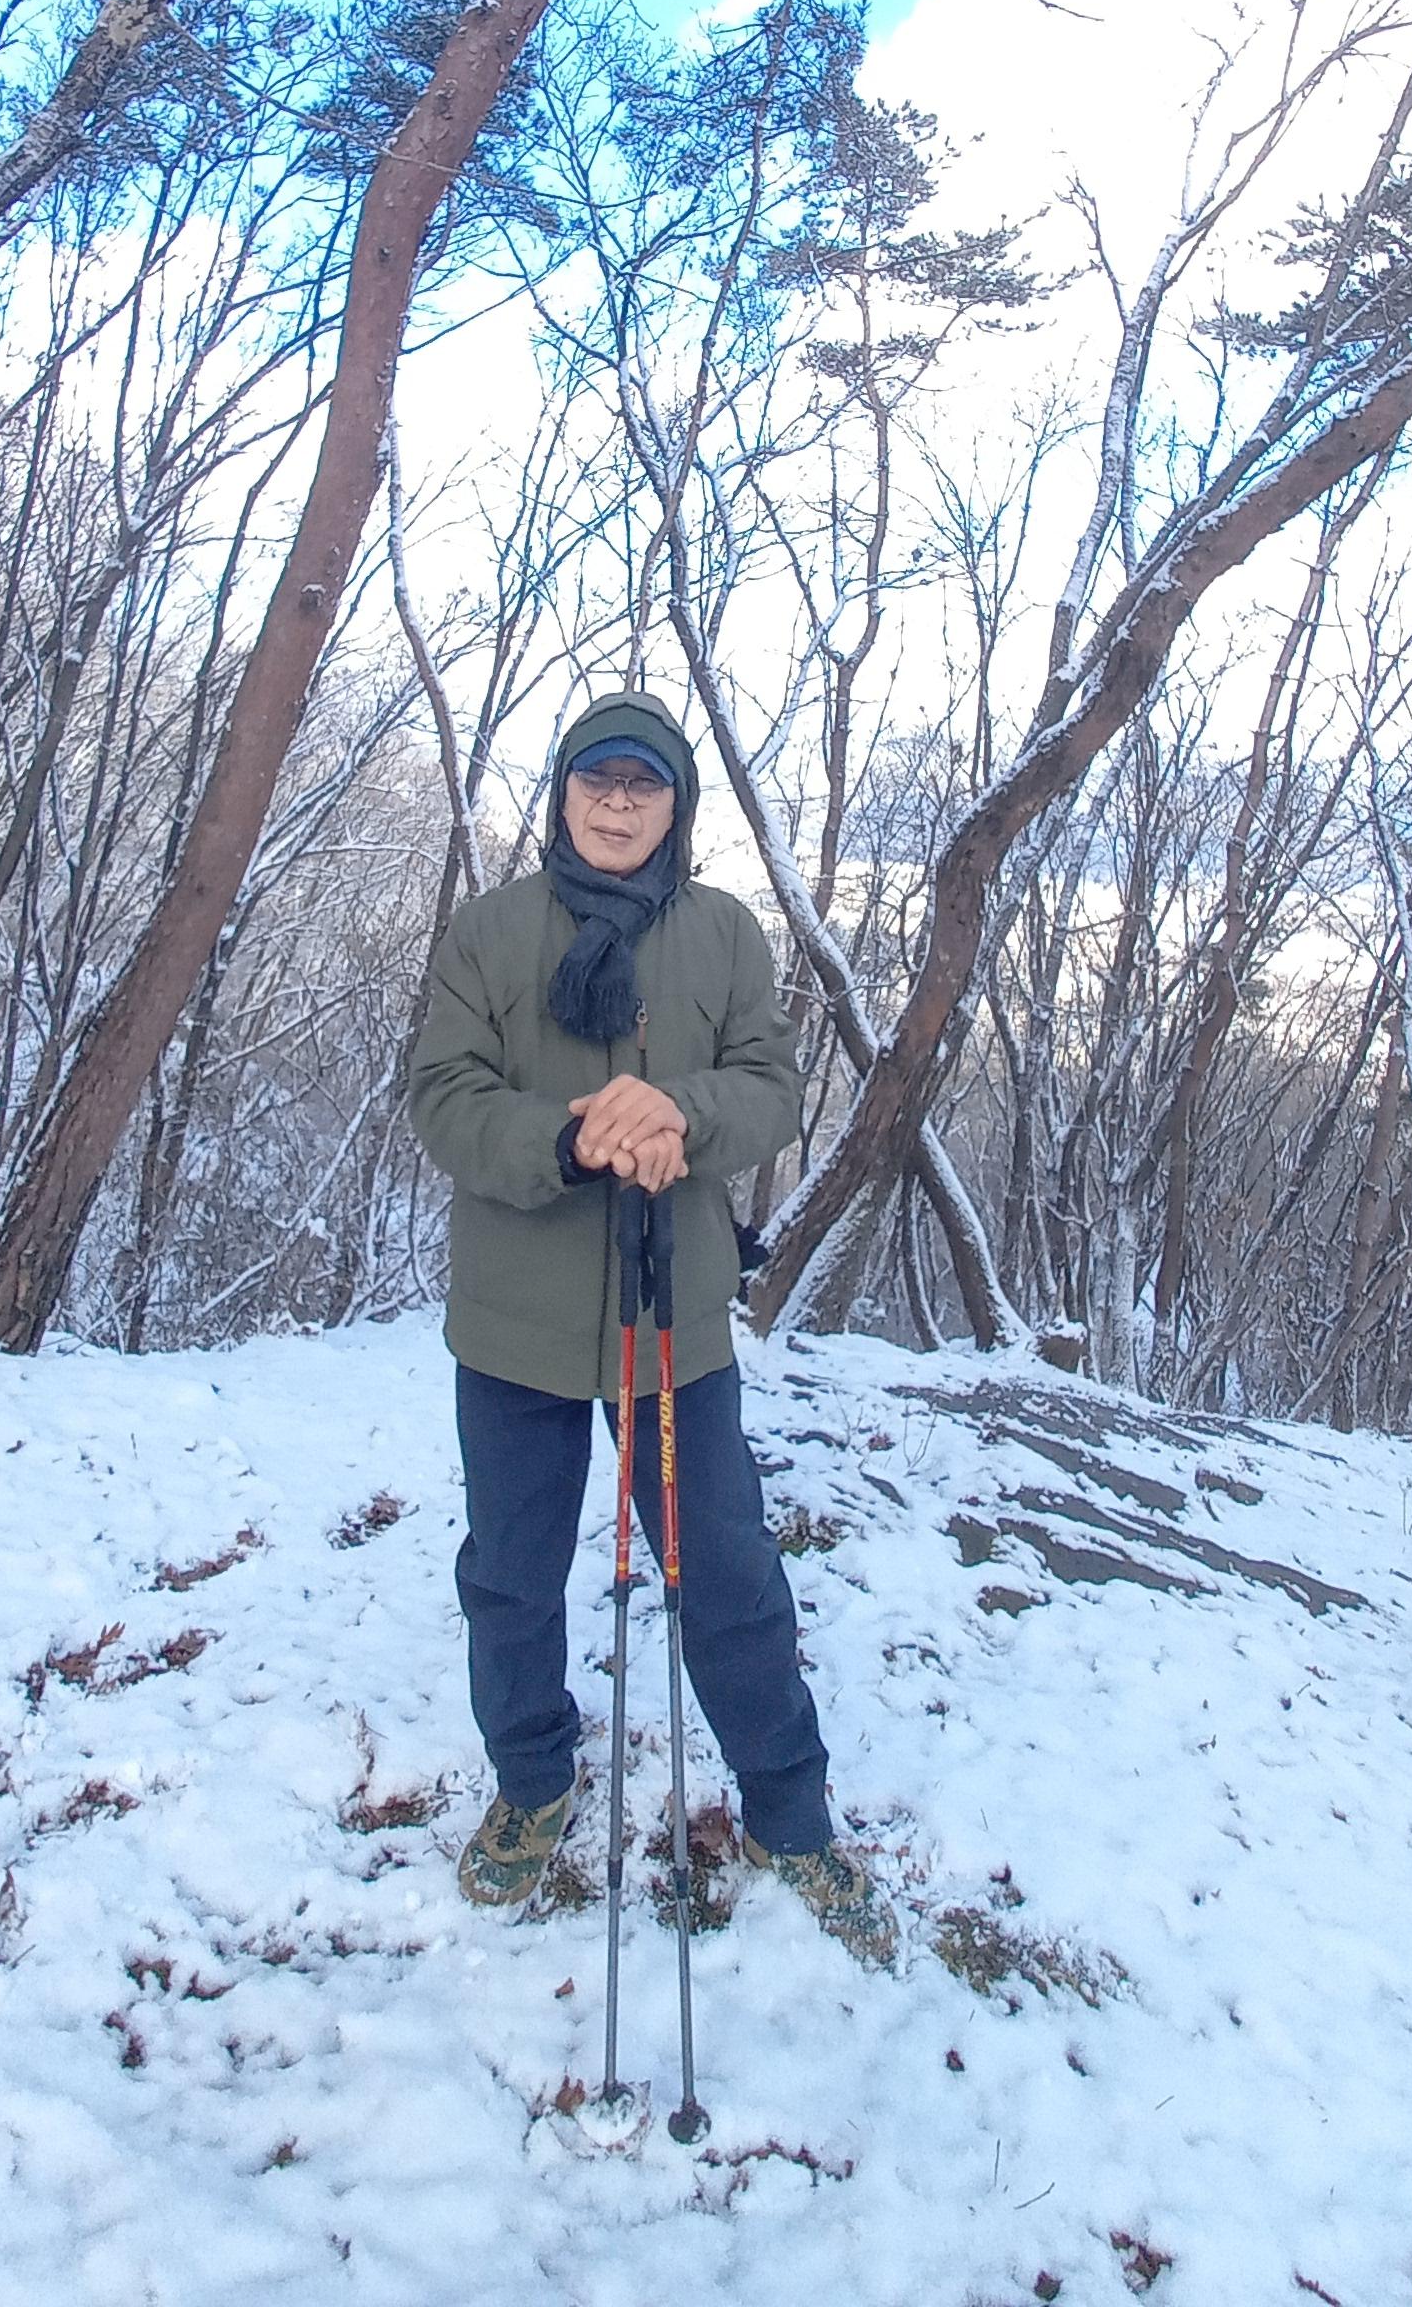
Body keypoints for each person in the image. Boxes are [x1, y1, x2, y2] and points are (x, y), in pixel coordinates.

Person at [409, 686, 897, 1966]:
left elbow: (772, 1086)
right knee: (510, 1574)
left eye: (644, 785)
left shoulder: (723, 933)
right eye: (596, 780)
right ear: (562, 794)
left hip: (672, 1318)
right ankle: (532, 1783)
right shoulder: (490, 931)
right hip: (514, 1315)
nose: (617, 804)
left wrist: (677, 1112)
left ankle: (790, 1812)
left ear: (675, 808)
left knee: (725, 1570)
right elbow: (443, 1097)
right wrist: (570, 1138)